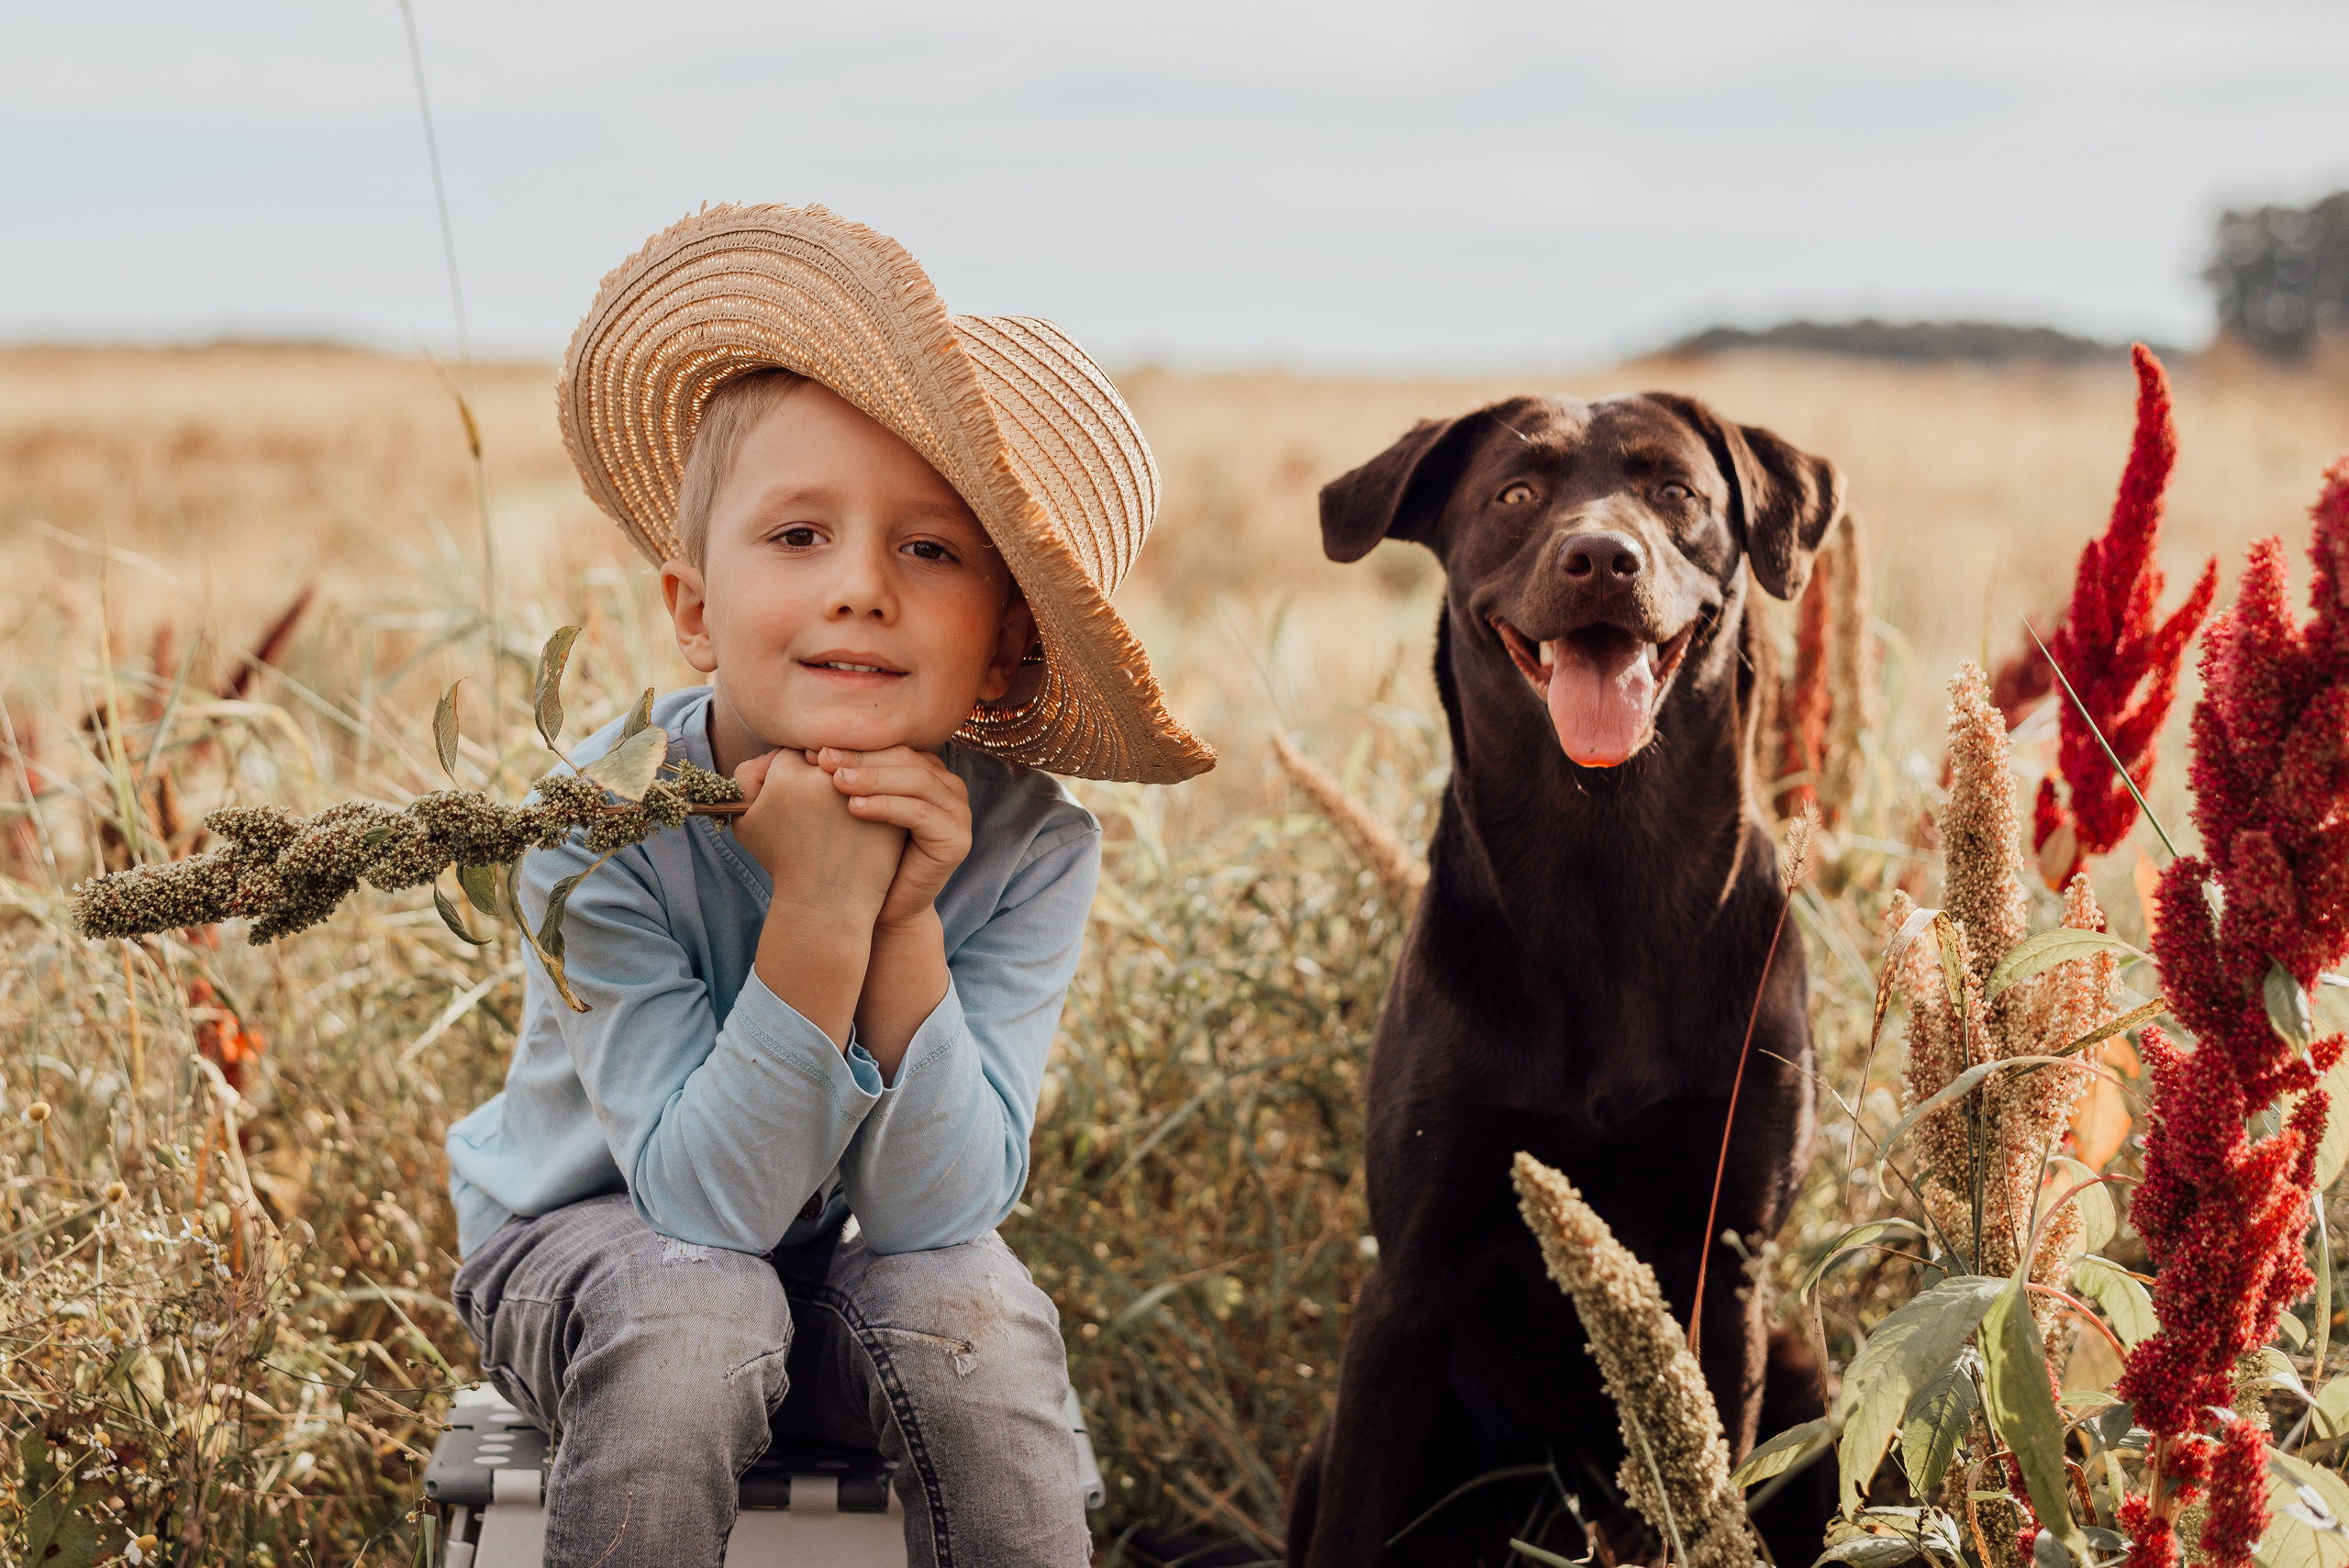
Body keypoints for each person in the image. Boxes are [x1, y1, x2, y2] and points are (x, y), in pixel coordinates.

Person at [444, 205, 1213, 1567]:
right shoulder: (601, 817)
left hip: (846, 1275)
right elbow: (704, 1210)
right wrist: (817, 908)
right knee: (698, 1316)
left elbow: (937, 1210)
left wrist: (904, 913)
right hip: (595, 1259)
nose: (860, 586)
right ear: (692, 608)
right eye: (799, 535)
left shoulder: (1032, 843)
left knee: (983, 1327)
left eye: (930, 549)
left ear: (1004, 649)